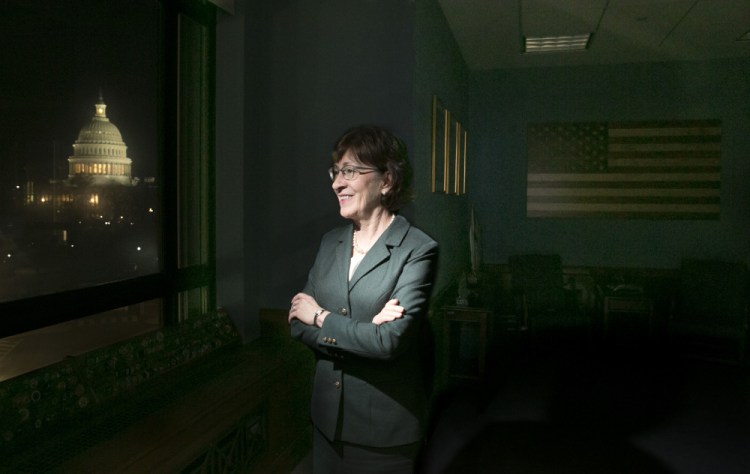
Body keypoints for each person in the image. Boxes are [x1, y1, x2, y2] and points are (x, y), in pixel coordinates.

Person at [288, 125, 438, 473]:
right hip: (326, 423)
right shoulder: (330, 243)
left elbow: (389, 343)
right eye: (336, 172)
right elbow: (297, 323)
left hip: (383, 437)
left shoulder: (417, 250)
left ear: (386, 180)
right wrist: (364, 331)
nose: (336, 183)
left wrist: (321, 317)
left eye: (350, 172)